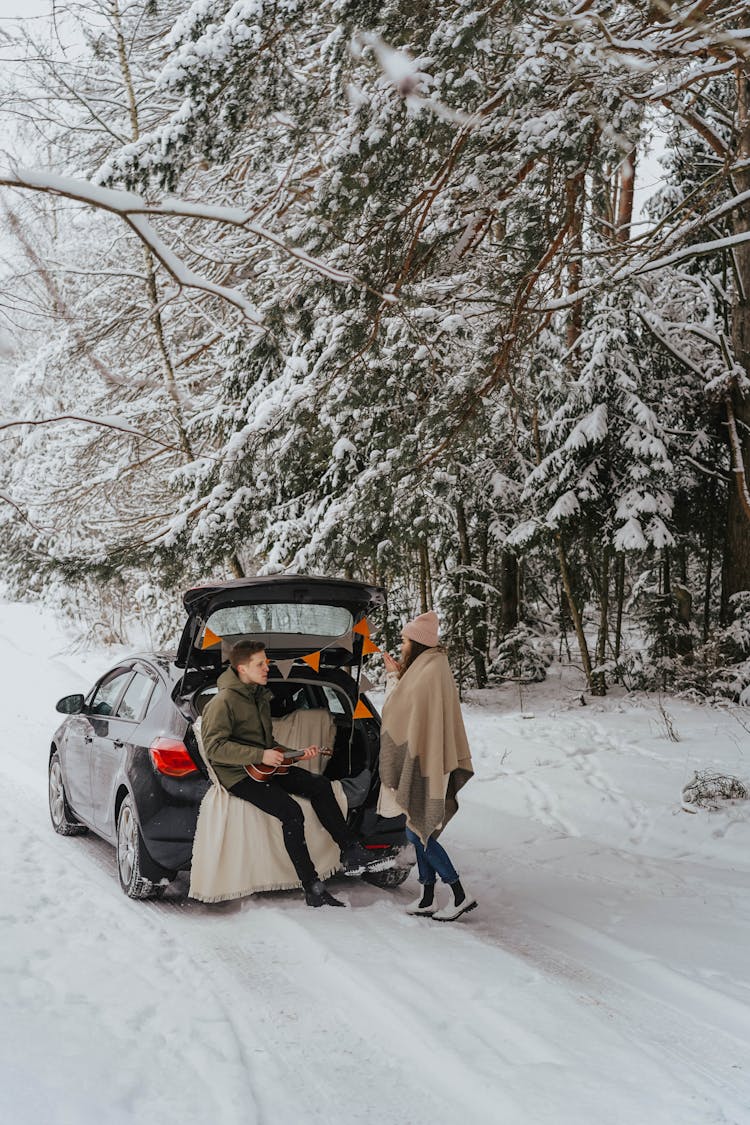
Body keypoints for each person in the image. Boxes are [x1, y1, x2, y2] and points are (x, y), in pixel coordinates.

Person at [201, 639, 379, 908]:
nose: (267, 668)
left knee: (319, 785)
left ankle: (350, 849)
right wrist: (261, 755)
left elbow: (267, 743)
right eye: (260, 664)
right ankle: (312, 887)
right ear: (241, 668)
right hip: (238, 775)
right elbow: (214, 748)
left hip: (265, 766)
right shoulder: (223, 702)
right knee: (291, 812)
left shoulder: (259, 696)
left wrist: (295, 753)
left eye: (267, 662)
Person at [378, 611, 477, 922]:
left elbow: (402, 708)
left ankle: (459, 893)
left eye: (406, 640)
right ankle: (427, 896)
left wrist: (395, 680)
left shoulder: (430, 670)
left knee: (418, 830)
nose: (403, 645)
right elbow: (412, 704)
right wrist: (399, 675)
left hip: (430, 761)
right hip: (429, 758)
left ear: (418, 643)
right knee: (418, 829)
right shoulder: (429, 665)